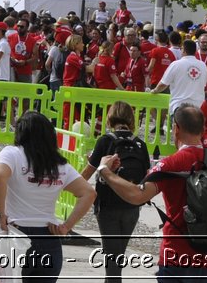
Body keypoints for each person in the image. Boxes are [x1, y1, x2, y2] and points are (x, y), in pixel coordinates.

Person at [94, 105, 207, 278]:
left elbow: (137, 196)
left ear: (176, 129)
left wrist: (106, 171)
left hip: (177, 256)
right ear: (203, 129)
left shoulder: (170, 164)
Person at [0, 110, 97, 283]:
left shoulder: (13, 154)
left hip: (17, 234)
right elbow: (89, 193)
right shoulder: (59, 164)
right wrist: (66, 226)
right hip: (49, 237)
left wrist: (0, 214)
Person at [80, 102, 148, 283]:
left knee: (112, 259)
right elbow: (147, 175)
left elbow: (87, 173)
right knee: (118, 256)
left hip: (108, 205)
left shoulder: (105, 141)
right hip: (132, 206)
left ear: (110, 118)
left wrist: (69, 187)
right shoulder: (140, 144)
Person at [155, 40, 207, 119]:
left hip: (179, 106)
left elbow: (163, 84)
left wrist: (155, 91)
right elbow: (203, 84)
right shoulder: (203, 65)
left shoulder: (176, 64)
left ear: (183, 50)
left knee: (179, 130)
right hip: (198, 107)